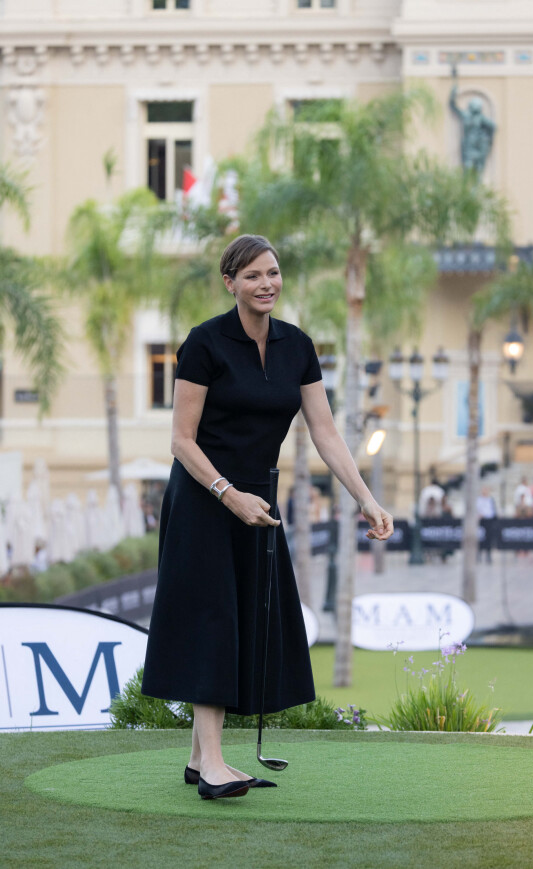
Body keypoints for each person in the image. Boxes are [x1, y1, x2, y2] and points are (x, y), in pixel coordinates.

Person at [141, 234, 394, 800]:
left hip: (259, 502)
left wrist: (365, 499)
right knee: (214, 622)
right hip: (205, 497)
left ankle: (197, 757)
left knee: (244, 624)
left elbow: (324, 431)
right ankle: (212, 766)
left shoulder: (297, 346)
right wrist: (228, 494)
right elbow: (181, 441)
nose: (266, 284)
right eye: (253, 275)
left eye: (273, 273)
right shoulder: (204, 343)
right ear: (230, 282)